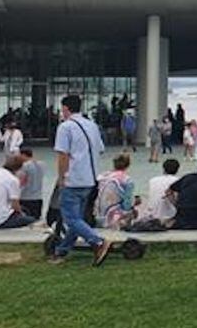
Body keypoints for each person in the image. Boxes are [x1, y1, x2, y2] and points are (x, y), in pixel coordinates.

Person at [51, 94, 113, 265]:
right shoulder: (92, 125)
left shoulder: (65, 127)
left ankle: (98, 241)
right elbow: (100, 149)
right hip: (90, 178)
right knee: (77, 218)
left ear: (66, 108)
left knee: (70, 217)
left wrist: (61, 177)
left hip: (74, 178)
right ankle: (62, 250)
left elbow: (63, 155)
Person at [95, 153, 138, 229]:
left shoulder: (102, 176)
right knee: (133, 212)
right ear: (128, 165)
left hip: (97, 216)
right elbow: (127, 204)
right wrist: (134, 203)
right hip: (112, 218)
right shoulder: (127, 180)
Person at [0, 155, 37, 229]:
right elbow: (15, 205)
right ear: (19, 169)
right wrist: (22, 214)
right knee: (31, 219)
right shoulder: (12, 180)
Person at [139, 158, 179, 226]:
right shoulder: (177, 180)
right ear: (177, 170)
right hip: (168, 215)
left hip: (152, 213)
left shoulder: (152, 180)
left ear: (163, 169)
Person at [17, 148, 44, 219]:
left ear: (23, 155)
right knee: (36, 220)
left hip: (26, 198)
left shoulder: (24, 166)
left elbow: (22, 182)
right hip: (38, 198)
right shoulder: (42, 164)